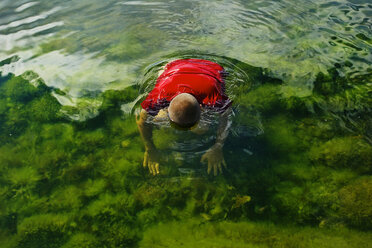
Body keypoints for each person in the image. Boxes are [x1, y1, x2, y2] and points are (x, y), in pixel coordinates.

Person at [136, 59, 232, 176]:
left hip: (212, 69)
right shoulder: (160, 94)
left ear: (202, 108)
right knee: (157, 119)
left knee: (202, 129)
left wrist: (218, 147)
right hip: (175, 67)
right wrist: (149, 148)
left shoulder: (213, 98)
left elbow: (226, 117)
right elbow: (142, 120)